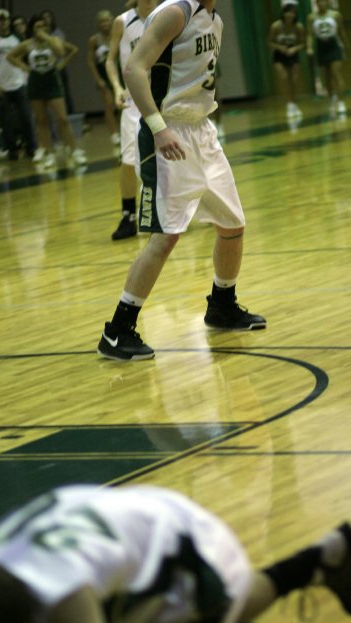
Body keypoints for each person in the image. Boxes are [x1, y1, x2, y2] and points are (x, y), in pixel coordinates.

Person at [0, 483, 351, 623]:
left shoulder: (60, 590)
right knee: (230, 595)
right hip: (152, 522)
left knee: (218, 596)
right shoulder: (19, 577)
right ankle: (320, 560)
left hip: (188, 554)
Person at [97, 0, 267, 362]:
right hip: (168, 130)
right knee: (167, 236)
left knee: (232, 224)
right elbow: (134, 68)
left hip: (201, 131)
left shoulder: (214, 19)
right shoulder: (175, 12)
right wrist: (158, 128)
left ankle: (222, 306)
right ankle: (117, 330)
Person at [105, 0, 157, 241]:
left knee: (180, 155)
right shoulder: (122, 22)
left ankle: (193, 207)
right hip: (133, 103)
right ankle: (128, 216)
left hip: (162, 99)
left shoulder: (169, 15)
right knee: (127, 161)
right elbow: (110, 60)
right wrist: (116, 87)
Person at [7, 14, 86, 169]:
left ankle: (74, 150)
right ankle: (49, 153)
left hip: (52, 81)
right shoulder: (27, 44)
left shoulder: (54, 41)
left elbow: (61, 52)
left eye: (43, 26)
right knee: (41, 120)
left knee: (62, 119)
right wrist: (24, 68)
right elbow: (11, 56)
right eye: (38, 27)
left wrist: (47, 38)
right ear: (32, 29)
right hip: (36, 83)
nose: (41, 29)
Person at [0, 8, 37, 160]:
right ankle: (11, 149)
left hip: (19, 82)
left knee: (26, 117)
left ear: (9, 21)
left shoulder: (17, 38)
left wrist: (26, 77)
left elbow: (27, 58)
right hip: (1, 85)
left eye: (5, 19)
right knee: (6, 120)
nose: (3, 23)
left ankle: (31, 147)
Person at [306, 0, 349, 116]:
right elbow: (310, 34)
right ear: (316, 3)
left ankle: (341, 102)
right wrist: (309, 47)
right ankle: (331, 99)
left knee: (337, 73)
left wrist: (346, 45)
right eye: (319, 2)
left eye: (324, 1)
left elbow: (341, 31)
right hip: (321, 46)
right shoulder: (311, 17)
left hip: (333, 45)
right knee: (326, 76)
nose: (321, 4)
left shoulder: (335, 15)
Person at [87, 10, 120, 147]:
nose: (105, 24)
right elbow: (90, 61)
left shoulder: (118, 35)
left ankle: (126, 129)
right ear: (98, 24)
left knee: (123, 104)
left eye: (107, 20)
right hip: (103, 73)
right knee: (108, 104)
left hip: (119, 72)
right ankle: (113, 134)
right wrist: (98, 78)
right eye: (102, 21)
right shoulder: (94, 40)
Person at [268, 0, 305, 119]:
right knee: (284, 78)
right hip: (279, 55)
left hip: (293, 54)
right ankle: (289, 104)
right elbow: (269, 42)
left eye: (292, 13)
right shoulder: (276, 26)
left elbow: (303, 43)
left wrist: (295, 49)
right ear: (283, 13)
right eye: (287, 13)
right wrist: (280, 47)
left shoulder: (298, 27)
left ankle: (295, 103)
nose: (289, 15)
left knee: (294, 80)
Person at [41, 9, 76, 114]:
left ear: (52, 19)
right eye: (44, 18)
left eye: (49, 17)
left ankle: (70, 115)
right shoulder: (39, 36)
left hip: (58, 67)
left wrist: (62, 64)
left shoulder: (57, 33)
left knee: (64, 92)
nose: (47, 20)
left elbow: (62, 51)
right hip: (44, 68)